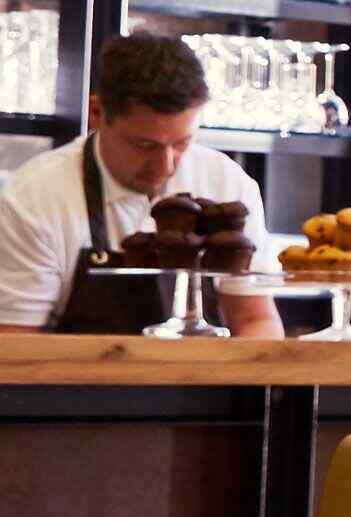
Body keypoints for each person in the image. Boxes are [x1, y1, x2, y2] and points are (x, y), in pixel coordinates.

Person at [0, 32, 280, 337]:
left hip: (202, 381)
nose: (166, 165)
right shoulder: (34, 197)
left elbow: (256, 321)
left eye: (182, 142)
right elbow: (15, 342)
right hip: (78, 382)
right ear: (97, 113)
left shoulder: (226, 181)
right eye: (145, 145)